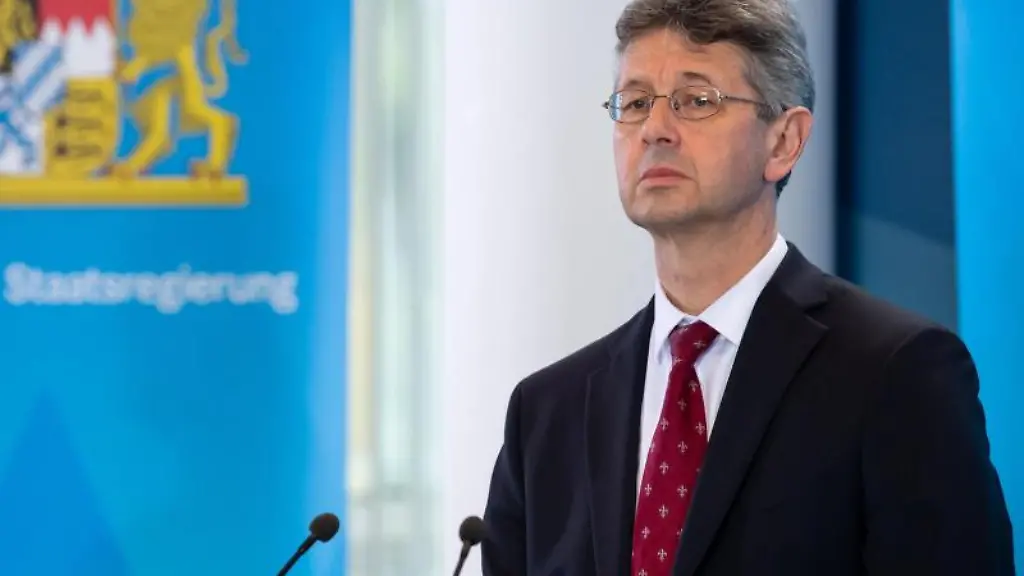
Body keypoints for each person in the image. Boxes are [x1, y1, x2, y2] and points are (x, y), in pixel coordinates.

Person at [479, 0, 1016, 575]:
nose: (655, 130)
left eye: (696, 100)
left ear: (784, 141)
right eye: (634, 104)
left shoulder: (895, 372)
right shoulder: (546, 412)